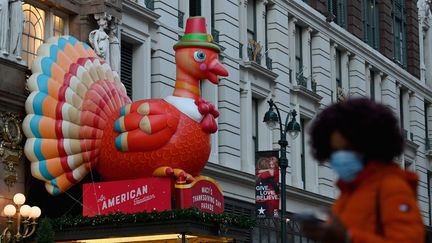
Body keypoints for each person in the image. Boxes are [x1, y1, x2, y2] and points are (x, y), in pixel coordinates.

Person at [300, 98, 425, 242]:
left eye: (346, 149)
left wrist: (348, 238)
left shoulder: (392, 188)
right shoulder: (347, 195)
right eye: (334, 151)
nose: (339, 156)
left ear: (368, 146)